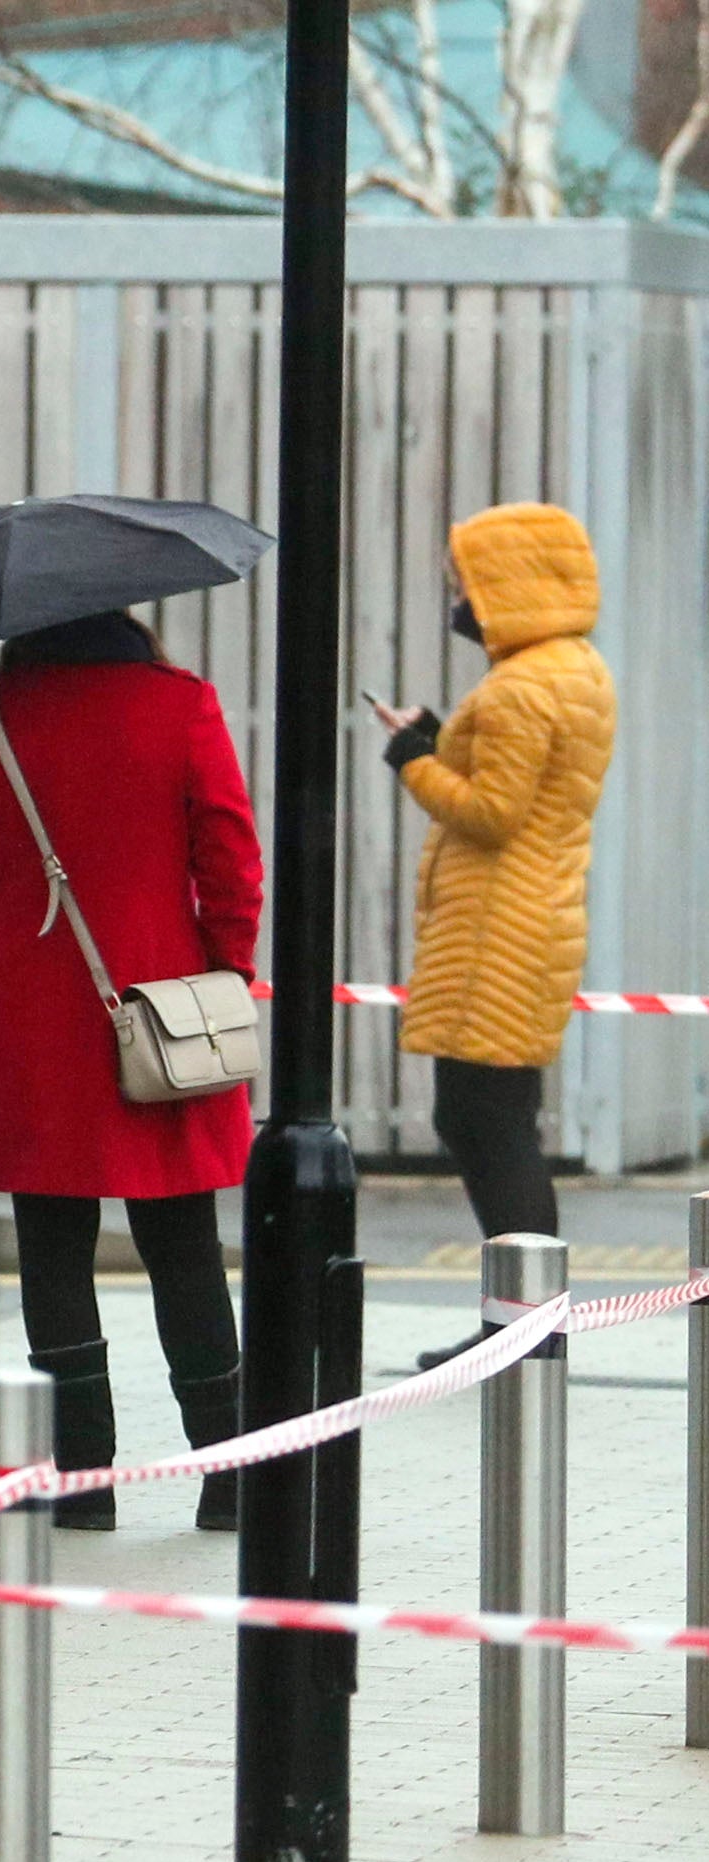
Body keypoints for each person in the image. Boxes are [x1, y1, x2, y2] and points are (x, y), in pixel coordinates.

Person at [0, 612, 265, 1533]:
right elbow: (232, 857)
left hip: (32, 1017)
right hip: (159, 1009)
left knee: (51, 1250)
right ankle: (229, 1478)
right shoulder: (182, 706)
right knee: (185, 1245)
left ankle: (82, 1486)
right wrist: (226, 970)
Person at [366, 503, 616, 1369]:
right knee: (502, 1119)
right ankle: (519, 1323)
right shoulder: (575, 670)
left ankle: (522, 1332)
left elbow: (493, 811)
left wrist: (412, 761)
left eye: (466, 584)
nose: (458, 599)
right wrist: (443, 739)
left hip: (494, 932)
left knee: (480, 1121)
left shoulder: (517, 687)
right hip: (534, 916)